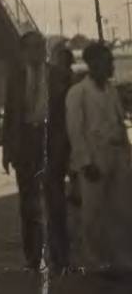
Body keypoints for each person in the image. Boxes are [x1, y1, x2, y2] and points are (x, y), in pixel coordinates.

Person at [2, 30, 72, 272]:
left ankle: (61, 256)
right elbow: (10, 115)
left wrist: (66, 150)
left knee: (56, 202)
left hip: (50, 143)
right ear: (23, 52)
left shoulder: (59, 76)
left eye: (40, 46)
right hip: (25, 145)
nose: (37, 52)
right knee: (28, 204)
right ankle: (32, 257)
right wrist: (7, 151)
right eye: (31, 47)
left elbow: (65, 118)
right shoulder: (16, 78)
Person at [65, 42, 132, 276]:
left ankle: (122, 258)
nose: (112, 66)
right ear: (93, 63)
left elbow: (118, 122)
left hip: (117, 156)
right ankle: (97, 260)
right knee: (93, 212)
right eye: (108, 61)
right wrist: (85, 162)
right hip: (94, 158)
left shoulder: (111, 90)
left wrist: (126, 153)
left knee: (122, 208)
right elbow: (75, 130)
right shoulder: (78, 93)